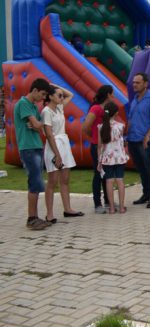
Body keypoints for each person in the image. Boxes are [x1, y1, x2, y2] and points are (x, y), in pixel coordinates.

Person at [41, 84, 82, 223]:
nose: (61, 97)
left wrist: (54, 86)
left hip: (64, 144)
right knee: (52, 181)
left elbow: (70, 94)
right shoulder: (46, 111)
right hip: (54, 145)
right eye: (58, 95)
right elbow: (49, 135)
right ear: (50, 96)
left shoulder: (59, 107)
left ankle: (68, 209)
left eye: (61, 95)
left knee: (65, 179)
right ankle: (49, 214)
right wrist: (57, 154)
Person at [15, 78, 52, 230]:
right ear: (35, 90)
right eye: (42, 94)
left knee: (37, 182)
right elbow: (37, 125)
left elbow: (37, 127)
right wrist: (40, 123)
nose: (43, 98)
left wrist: (37, 125)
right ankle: (31, 218)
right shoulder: (23, 103)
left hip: (36, 146)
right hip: (28, 147)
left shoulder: (33, 107)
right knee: (34, 183)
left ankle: (35, 217)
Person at [127, 73, 150, 209]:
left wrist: (148, 135)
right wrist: (126, 136)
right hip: (132, 140)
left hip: (145, 141)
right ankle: (146, 194)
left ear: (146, 84)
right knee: (141, 169)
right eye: (133, 82)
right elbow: (131, 119)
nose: (134, 85)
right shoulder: (135, 99)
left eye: (138, 82)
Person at [82, 85, 114, 213]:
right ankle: (97, 204)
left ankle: (108, 200)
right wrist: (95, 138)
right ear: (108, 95)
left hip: (107, 146)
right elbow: (85, 127)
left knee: (107, 174)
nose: (113, 97)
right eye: (112, 94)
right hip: (97, 146)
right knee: (98, 174)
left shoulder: (107, 109)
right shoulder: (96, 108)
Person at [98, 102, 129, 214]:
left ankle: (111, 208)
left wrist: (99, 161)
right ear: (116, 113)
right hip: (120, 158)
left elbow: (100, 146)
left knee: (109, 182)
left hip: (107, 159)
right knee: (120, 180)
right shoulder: (121, 126)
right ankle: (121, 207)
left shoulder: (101, 127)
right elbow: (122, 142)